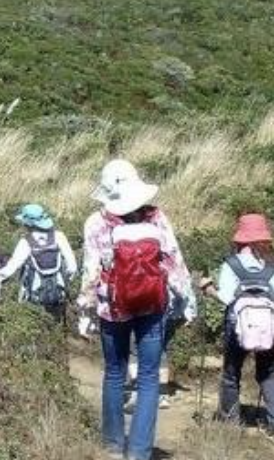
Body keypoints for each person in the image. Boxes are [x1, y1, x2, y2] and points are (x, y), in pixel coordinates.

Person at [78, 159, 195, 460]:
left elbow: (91, 273)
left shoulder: (96, 222)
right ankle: (140, 452)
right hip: (152, 306)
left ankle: (113, 446)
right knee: (148, 377)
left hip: (112, 308)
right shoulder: (156, 218)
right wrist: (187, 302)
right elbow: (174, 262)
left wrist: (85, 312)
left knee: (114, 374)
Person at [199, 213, 274, 439]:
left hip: (237, 326)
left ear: (240, 239)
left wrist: (208, 289)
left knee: (232, 374)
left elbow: (226, 298)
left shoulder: (231, 264)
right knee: (267, 374)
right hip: (269, 328)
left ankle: (231, 422)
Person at [0, 204, 77, 320]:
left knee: (36, 321)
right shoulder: (59, 236)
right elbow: (72, 266)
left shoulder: (26, 242)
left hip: (35, 294)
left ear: (27, 223)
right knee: (58, 320)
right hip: (59, 292)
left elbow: (13, 266)